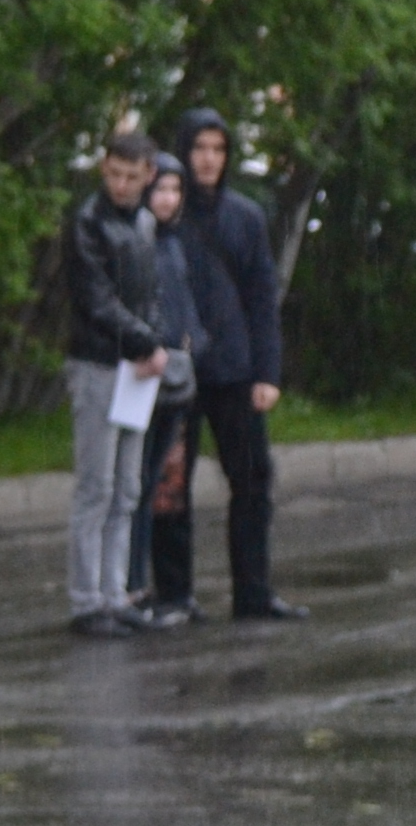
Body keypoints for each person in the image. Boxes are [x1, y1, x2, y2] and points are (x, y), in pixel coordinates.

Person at [170, 110, 304, 622]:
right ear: (184, 151)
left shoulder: (245, 216)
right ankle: (175, 595)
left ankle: (253, 591)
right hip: (176, 374)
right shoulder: (165, 211)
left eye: (217, 149)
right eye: (199, 148)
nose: (207, 158)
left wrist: (267, 372)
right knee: (171, 488)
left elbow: (261, 299)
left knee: (252, 481)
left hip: (234, 370)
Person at [59, 130, 167, 638]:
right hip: (100, 364)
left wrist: (151, 344)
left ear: (148, 176)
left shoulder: (144, 223)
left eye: (132, 176)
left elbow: (147, 295)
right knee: (96, 486)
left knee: (127, 487)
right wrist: (147, 343)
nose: (121, 185)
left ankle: (114, 591)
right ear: (104, 169)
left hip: (134, 368)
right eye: (114, 174)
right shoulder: (87, 224)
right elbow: (97, 302)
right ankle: (87, 600)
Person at [126, 156, 207, 629]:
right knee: (136, 486)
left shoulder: (175, 242)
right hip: (143, 374)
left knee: (163, 486)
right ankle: (134, 585)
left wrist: (194, 342)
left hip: (177, 378)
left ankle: (162, 587)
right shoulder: (138, 240)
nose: (168, 199)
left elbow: (184, 304)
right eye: (160, 189)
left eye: (175, 190)